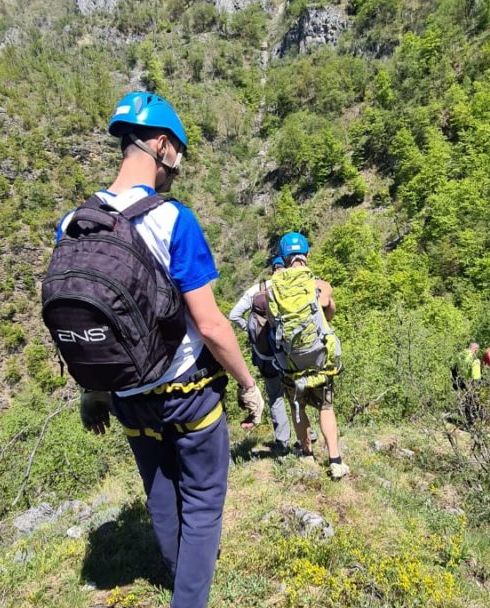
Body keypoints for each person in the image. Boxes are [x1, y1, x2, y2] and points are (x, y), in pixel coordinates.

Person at [58, 92, 263, 608]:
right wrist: (247, 384)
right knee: (201, 503)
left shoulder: (73, 223)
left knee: (159, 492)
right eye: (178, 154)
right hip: (186, 393)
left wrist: (94, 392)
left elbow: (83, 317)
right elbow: (212, 325)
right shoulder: (173, 219)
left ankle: (178, 578)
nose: (178, 167)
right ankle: (189, 596)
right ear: (162, 146)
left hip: (126, 395)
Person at [272, 232, 349, 480]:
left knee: (298, 407)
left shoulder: (274, 287)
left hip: (292, 361)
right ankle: (335, 461)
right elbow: (329, 314)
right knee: (325, 407)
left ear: (284, 258)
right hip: (319, 360)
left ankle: (307, 455)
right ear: (305, 255)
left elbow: (274, 321)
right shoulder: (320, 285)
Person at [228, 256, 292, 447]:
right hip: (289, 353)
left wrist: (249, 330)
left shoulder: (257, 290)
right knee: (296, 393)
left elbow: (234, 315)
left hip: (265, 356)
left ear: (272, 269)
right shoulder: (292, 287)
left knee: (275, 396)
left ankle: (282, 441)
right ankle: (308, 437)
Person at [452, 342, 482, 424]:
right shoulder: (474, 359)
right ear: (476, 350)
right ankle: (470, 421)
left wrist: (456, 383)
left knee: (462, 400)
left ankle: (461, 415)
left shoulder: (459, 354)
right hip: (469, 382)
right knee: (471, 401)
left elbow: (453, 368)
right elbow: (476, 377)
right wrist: (476, 389)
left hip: (460, 380)